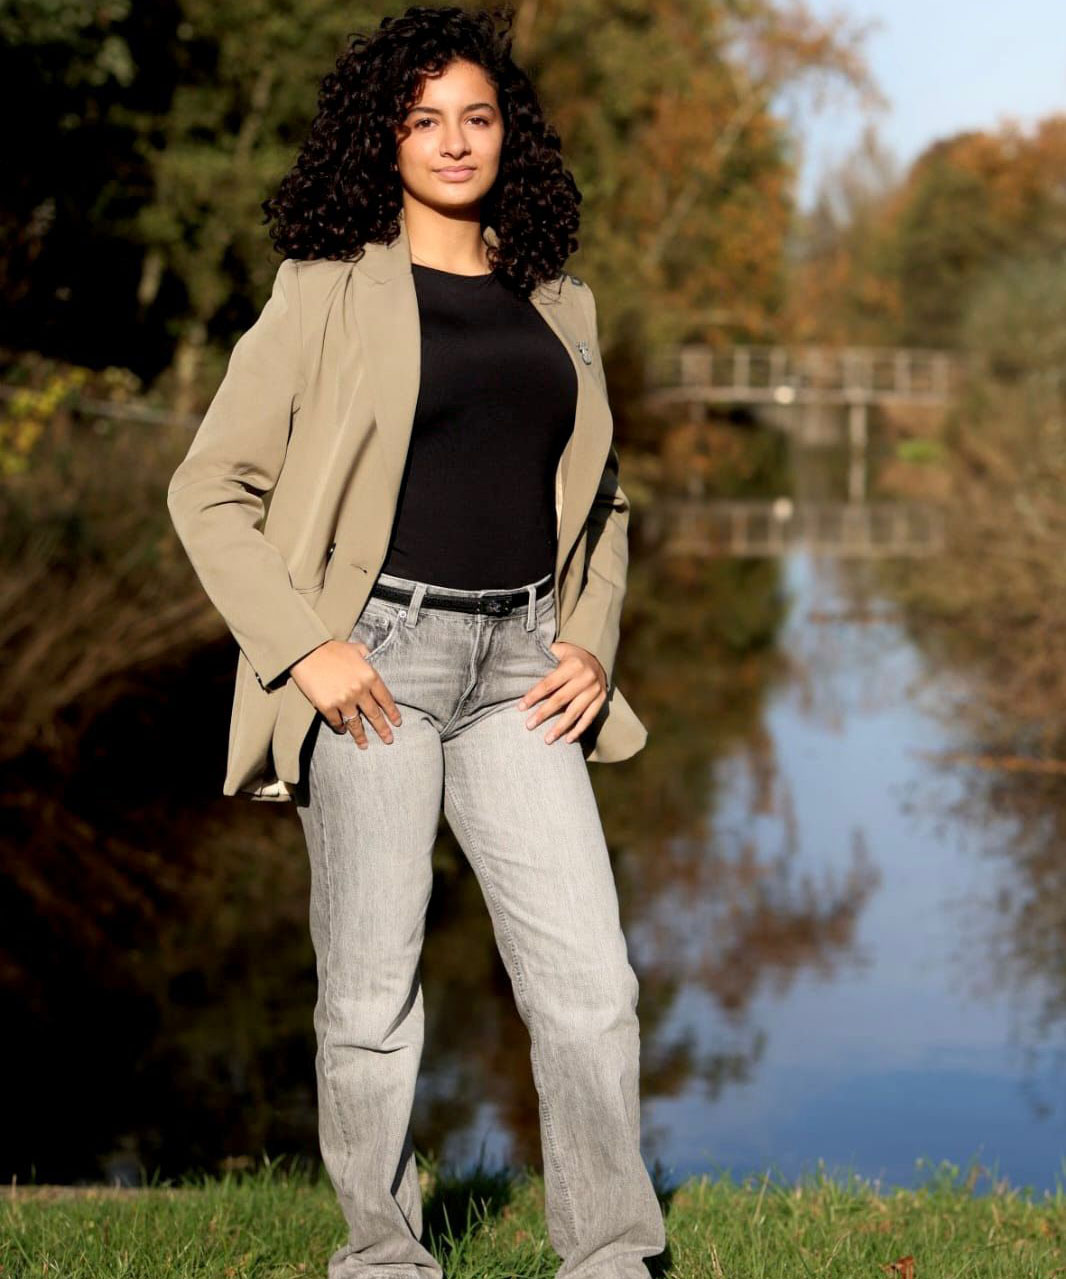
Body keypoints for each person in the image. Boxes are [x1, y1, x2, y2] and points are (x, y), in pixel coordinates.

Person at [166, 6, 665, 1277]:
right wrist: (303, 646)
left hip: (525, 670)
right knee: (372, 995)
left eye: (476, 116)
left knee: (591, 986)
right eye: (423, 118)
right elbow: (207, 488)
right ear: (382, 139)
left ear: (509, 134)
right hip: (374, 665)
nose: (452, 141)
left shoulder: (561, 302)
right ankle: (383, 1256)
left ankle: (612, 1252)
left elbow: (604, 501)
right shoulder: (322, 291)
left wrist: (590, 638)